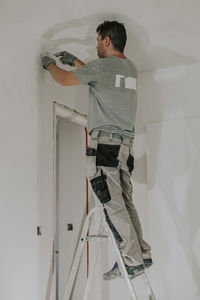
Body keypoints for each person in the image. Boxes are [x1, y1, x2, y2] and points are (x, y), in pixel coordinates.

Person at [42, 20, 153, 280]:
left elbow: (64, 79)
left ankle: (132, 259)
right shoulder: (130, 69)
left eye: (97, 40)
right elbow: (102, 78)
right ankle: (142, 253)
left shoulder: (102, 68)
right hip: (125, 149)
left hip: (105, 147)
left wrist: (49, 64)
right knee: (125, 203)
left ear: (106, 40)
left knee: (112, 206)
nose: (95, 46)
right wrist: (79, 61)